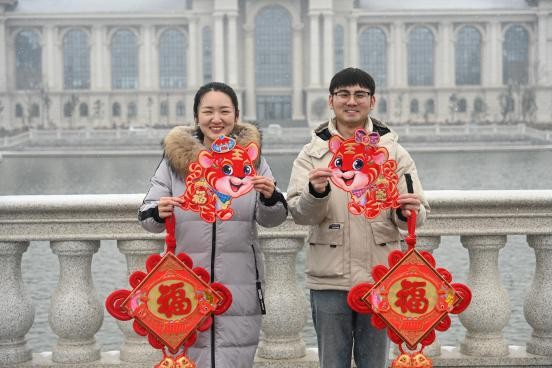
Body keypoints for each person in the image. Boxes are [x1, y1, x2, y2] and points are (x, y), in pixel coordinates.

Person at [286, 68, 429, 368]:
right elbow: (299, 213)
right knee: (332, 363)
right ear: (331, 100)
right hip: (329, 280)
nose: (352, 101)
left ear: (372, 101)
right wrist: (316, 192)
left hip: (380, 278)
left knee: (374, 362)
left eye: (360, 95)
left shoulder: (393, 152)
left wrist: (404, 212)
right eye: (344, 95)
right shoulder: (312, 154)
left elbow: (419, 212)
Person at [139, 82, 288, 368]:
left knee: (236, 357)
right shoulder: (174, 164)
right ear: (196, 117)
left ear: (237, 115)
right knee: (190, 359)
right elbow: (147, 218)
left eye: (224, 111)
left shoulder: (252, 162)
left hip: (241, 284)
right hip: (185, 287)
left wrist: (270, 197)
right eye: (208, 111)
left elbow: (273, 219)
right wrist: (159, 211)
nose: (216, 119)